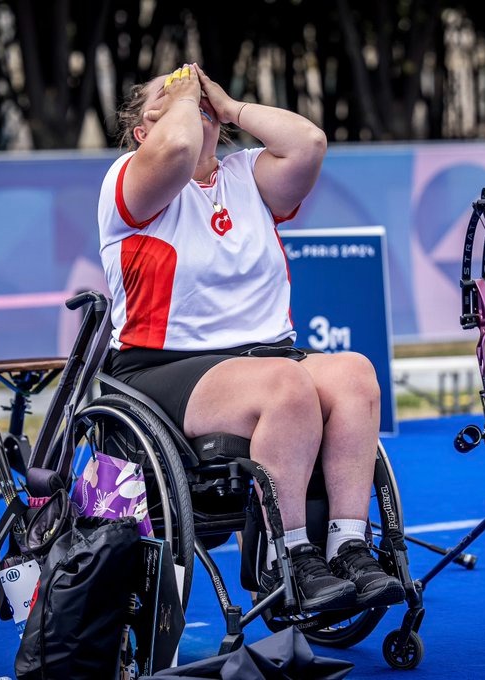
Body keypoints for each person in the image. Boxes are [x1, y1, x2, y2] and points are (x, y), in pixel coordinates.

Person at [97, 63, 405, 612]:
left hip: (265, 358)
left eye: (194, 94)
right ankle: (287, 556)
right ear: (145, 128)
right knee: (284, 386)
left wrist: (230, 106)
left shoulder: (247, 175)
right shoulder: (131, 178)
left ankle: (348, 545)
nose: (191, 97)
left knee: (356, 375)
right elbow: (174, 151)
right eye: (168, 97)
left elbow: (309, 142)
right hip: (161, 368)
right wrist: (184, 94)